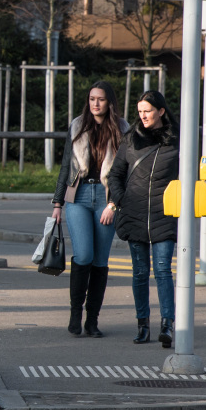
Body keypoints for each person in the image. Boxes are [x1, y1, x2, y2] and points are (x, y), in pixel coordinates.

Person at [51, 80, 129, 338]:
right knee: (83, 255)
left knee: (100, 261)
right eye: (92, 98)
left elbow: (125, 172)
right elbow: (65, 166)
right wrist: (57, 203)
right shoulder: (77, 125)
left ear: (110, 102)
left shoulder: (122, 129)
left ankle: (92, 321)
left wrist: (113, 204)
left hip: (106, 199)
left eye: (101, 99)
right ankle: (75, 313)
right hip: (79, 195)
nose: (95, 103)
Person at [105, 90, 180, 348]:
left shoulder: (177, 141)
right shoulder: (130, 140)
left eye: (147, 111)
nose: (143, 116)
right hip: (134, 214)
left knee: (162, 270)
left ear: (160, 111)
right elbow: (114, 175)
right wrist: (122, 200)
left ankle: (167, 325)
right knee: (139, 272)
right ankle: (142, 324)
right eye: (140, 112)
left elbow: (189, 177)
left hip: (165, 214)